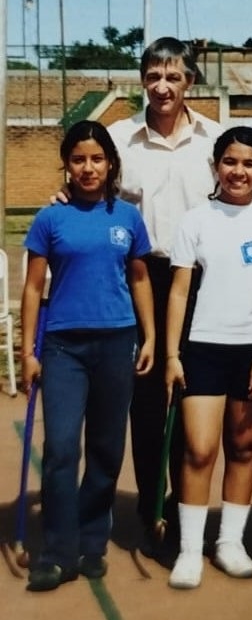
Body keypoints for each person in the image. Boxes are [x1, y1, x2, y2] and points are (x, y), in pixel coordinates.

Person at [21, 121, 155, 592]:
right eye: (78, 159)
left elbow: (139, 278)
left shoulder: (128, 218)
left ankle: (92, 542)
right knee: (61, 448)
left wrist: (150, 336)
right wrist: (28, 351)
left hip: (117, 341)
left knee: (106, 449)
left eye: (97, 158)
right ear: (67, 164)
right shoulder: (50, 218)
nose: (88, 167)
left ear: (111, 163)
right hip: (63, 346)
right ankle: (57, 552)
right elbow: (32, 288)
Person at [107, 37, 222, 552]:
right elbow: (93, 192)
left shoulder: (214, 139)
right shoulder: (120, 138)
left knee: (192, 396)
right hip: (142, 279)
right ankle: (150, 508)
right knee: (149, 400)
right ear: (142, 80)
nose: (162, 86)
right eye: (153, 76)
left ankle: (182, 508)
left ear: (189, 82)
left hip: (200, 281)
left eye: (173, 77)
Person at [164, 126, 252, 589]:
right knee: (199, 449)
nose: (238, 171)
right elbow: (178, 292)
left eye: (249, 163)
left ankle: (230, 542)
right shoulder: (195, 220)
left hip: (251, 350)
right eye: (230, 161)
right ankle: (190, 549)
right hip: (203, 349)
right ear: (216, 166)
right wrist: (172, 354)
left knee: (244, 447)